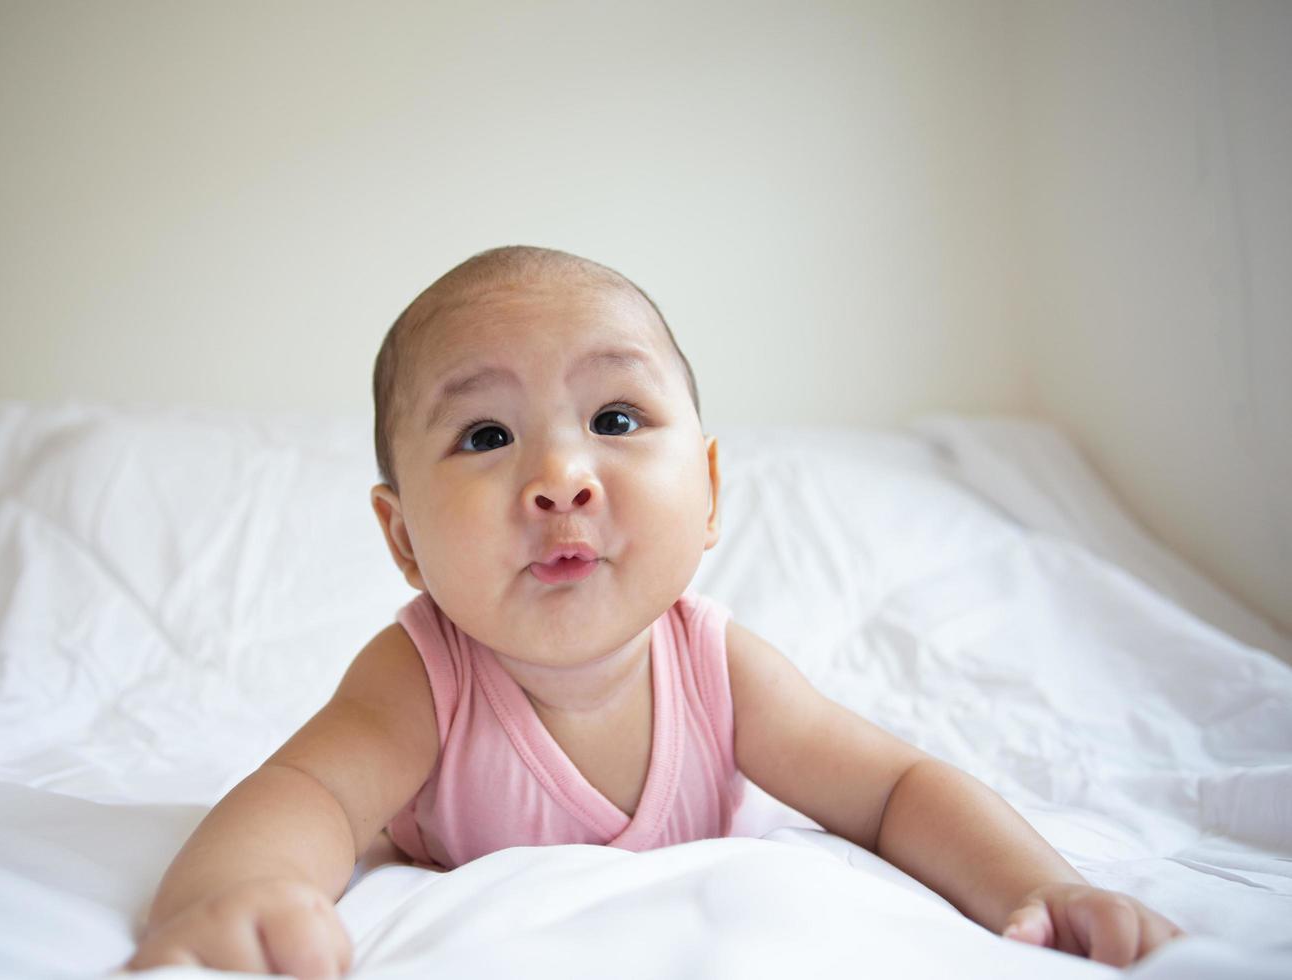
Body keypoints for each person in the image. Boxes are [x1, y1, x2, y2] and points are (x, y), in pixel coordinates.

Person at [127, 246, 1184, 978]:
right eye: (486, 436)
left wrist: (1038, 885)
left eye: (616, 416)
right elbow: (304, 792)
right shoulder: (420, 678)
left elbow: (897, 789)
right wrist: (234, 897)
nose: (559, 475)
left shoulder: (720, 668)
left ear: (711, 491)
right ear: (403, 538)